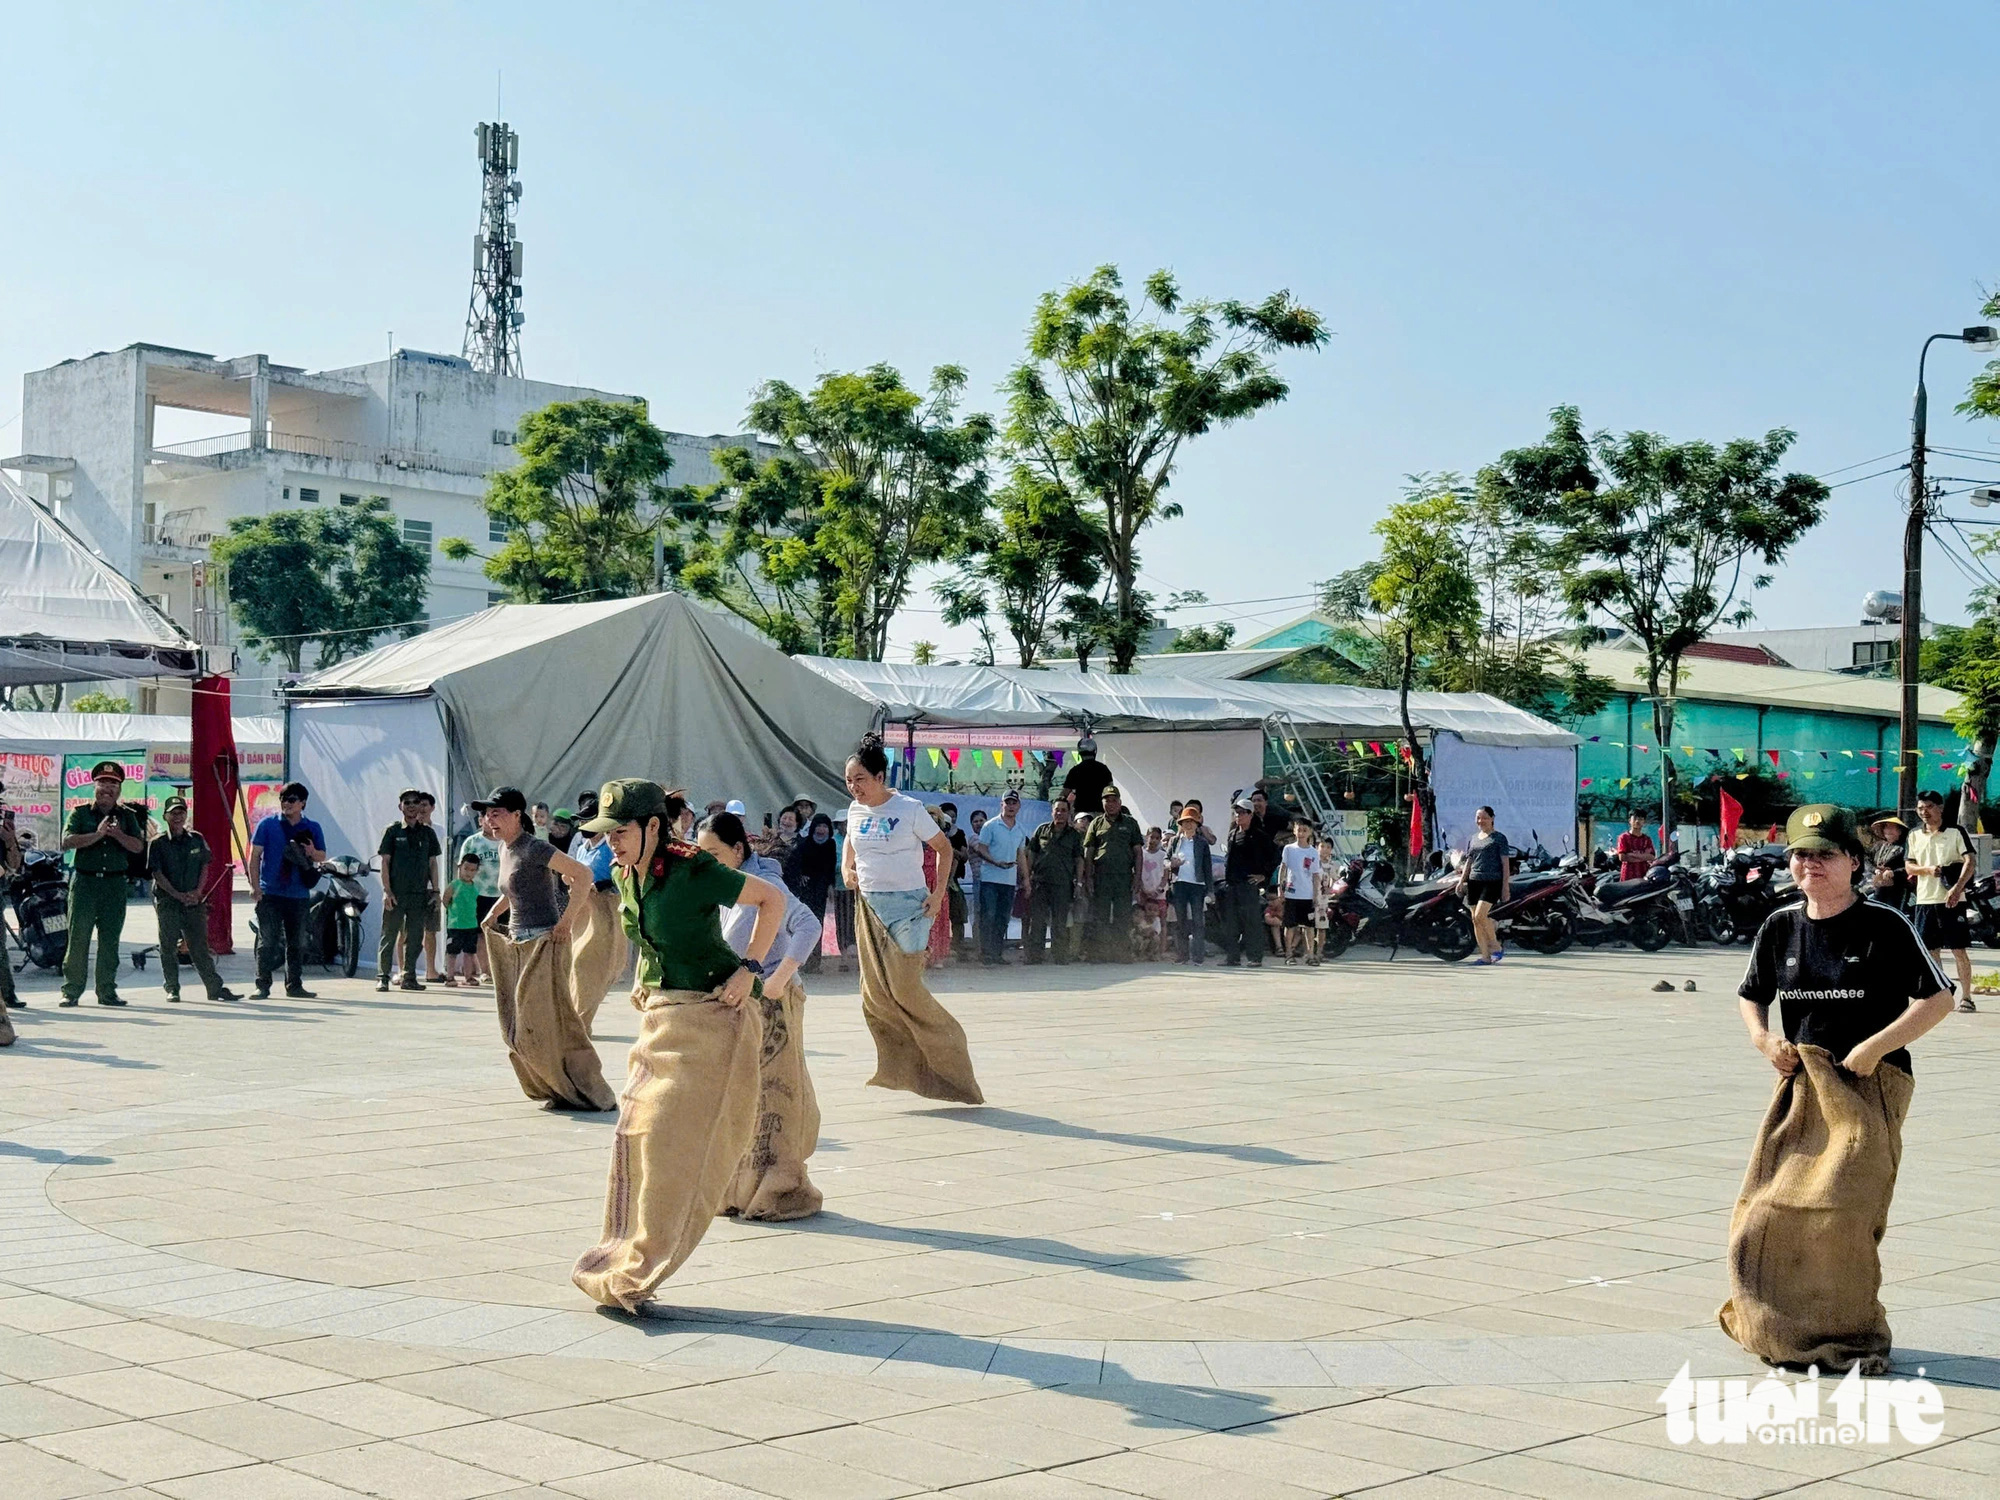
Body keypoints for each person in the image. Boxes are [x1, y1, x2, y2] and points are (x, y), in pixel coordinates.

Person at [1721, 804, 1955, 1374]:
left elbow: (1939, 997)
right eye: (1802, 854)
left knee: (1844, 1215)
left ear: (1854, 861)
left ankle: (1852, 1336)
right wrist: (1762, 1040)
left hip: (1869, 1088)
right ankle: (1780, 1329)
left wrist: (1874, 1047)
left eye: (1825, 854)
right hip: (1801, 1086)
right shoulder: (1780, 926)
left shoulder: (1886, 925)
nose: (1811, 864)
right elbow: (1751, 994)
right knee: (1765, 1212)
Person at [571, 779, 789, 1312]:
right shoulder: (626, 874)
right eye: (604, 835)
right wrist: (643, 980)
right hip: (663, 1021)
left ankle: (644, 1268)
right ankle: (620, 1253)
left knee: (672, 1145)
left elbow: (772, 900)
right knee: (634, 1133)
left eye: (619, 832)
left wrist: (749, 970)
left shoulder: (693, 869)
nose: (610, 844)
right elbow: (647, 939)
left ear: (651, 827)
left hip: (715, 1017)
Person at [842, 734, 984, 1103]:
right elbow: (851, 841)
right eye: (849, 780)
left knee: (905, 989)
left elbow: (944, 848)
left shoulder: (908, 809)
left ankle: (951, 1056)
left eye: (861, 779)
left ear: (879, 777)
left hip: (910, 906)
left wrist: (937, 895)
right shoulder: (856, 811)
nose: (854, 787)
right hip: (870, 906)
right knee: (874, 994)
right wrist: (847, 867)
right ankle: (904, 1069)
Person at [699, 810, 825, 1221]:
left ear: (738, 849)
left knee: (776, 1097)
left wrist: (778, 978)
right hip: (742, 1004)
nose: (708, 861)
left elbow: (808, 926)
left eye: (714, 852)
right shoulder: (724, 885)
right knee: (743, 1098)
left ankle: (780, 1188)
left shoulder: (765, 884)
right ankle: (738, 1188)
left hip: (775, 1004)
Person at [472, 785, 616, 1112]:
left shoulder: (535, 847)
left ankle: (586, 1089)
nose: (489, 820)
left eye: (496, 813)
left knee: (543, 1023)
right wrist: (494, 914)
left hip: (544, 942)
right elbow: (514, 889)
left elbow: (582, 874)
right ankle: (557, 1087)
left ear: (517, 815)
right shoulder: (506, 849)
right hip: (518, 941)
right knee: (522, 1026)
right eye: (487, 814)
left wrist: (566, 922)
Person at [57, 761, 145, 1007]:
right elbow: (66, 841)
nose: (108, 788)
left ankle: (107, 991)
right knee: (78, 939)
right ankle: (71, 991)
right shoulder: (80, 813)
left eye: (113, 784)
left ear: (119, 789)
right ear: (94, 786)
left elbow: (138, 847)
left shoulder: (127, 816)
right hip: (85, 883)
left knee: (110, 941)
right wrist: (97, 835)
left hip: (114, 885)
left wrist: (117, 835)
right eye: (103, 783)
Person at [147, 795, 241, 1004]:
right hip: (168, 901)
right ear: (165, 816)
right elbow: (157, 874)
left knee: (199, 947)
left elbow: (205, 867)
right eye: (173, 813)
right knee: (168, 947)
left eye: (181, 812)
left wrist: (198, 891)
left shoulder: (196, 839)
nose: (177, 817)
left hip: (193, 901)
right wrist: (176, 894)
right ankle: (172, 988)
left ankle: (214, 988)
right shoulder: (158, 843)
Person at [245, 782, 325, 1000]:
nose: (286, 803)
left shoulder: (312, 827)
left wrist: (312, 851)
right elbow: (254, 857)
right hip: (270, 893)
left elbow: (322, 856)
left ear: (302, 803)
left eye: (291, 799)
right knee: (268, 940)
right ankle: (262, 985)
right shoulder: (267, 825)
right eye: (283, 799)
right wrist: (254, 887)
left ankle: (294, 985)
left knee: (297, 942)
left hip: (298, 894)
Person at [1906, 788, 1976, 1014]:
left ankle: (1967, 997)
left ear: (1940, 807)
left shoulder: (1956, 832)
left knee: (1958, 949)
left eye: (1929, 807)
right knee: (1930, 950)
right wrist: (1926, 869)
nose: (1924, 812)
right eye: (1920, 808)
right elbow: (1909, 866)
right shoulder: (1914, 835)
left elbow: (1970, 861)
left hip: (1952, 899)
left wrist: (1957, 888)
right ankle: (1941, 996)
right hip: (1925, 900)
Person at [568, 790, 629, 1030]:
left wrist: (602, 884)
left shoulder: (610, 847)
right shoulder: (582, 847)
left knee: (590, 966)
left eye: (588, 820)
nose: (584, 824)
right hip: (583, 912)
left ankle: (582, 1021)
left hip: (606, 913)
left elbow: (623, 876)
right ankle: (580, 1021)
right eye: (582, 820)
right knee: (577, 965)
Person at [376, 788, 442, 992]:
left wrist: (436, 891)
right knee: (389, 935)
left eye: (415, 802)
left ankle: (409, 977)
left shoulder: (428, 833)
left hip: (419, 894)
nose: (412, 805)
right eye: (407, 802)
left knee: (414, 938)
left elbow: (433, 864)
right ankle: (383, 977)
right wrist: (387, 891)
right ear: (400, 806)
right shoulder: (393, 831)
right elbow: (385, 863)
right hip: (396, 893)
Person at [1080, 786, 1145, 961]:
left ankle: (1121, 952)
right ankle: (1100, 953)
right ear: (1102, 803)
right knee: (1100, 915)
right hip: (1101, 877)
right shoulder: (1096, 823)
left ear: (1120, 802)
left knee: (1122, 915)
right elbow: (1089, 853)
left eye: (1114, 800)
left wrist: (1137, 878)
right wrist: (1088, 879)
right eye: (1107, 800)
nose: (1110, 804)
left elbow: (1138, 852)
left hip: (1123, 877)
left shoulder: (1131, 823)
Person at [1217, 797, 1277, 966]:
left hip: (1248, 885)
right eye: (1236, 812)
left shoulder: (1259, 835)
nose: (1238, 815)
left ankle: (1254, 957)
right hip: (1231, 885)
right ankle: (1232, 957)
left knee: (1251, 922)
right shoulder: (1233, 834)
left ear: (1250, 814)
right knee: (1231, 923)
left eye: (1242, 812)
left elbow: (1275, 856)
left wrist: (1263, 875)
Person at [1022, 799, 1082, 964]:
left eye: (1063, 810)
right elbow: (1032, 853)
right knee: (1038, 920)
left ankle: (1060, 955)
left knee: (1060, 921)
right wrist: (1027, 877)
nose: (1060, 813)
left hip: (1063, 884)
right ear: (1052, 812)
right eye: (1057, 810)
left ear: (1069, 813)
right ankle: (1035, 956)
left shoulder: (1074, 835)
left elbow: (1079, 859)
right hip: (1040, 882)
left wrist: (1079, 883)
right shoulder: (1042, 830)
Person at [973, 790, 1028, 965]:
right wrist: (995, 862)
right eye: (1008, 802)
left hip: (1009, 881)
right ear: (1001, 804)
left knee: (1003, 918)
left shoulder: (1020, 829)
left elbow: (1021, 856)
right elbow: (981, 849)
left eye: (1014, 803)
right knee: (988, 915)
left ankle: (996, 954)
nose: (1011, 806)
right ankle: (985, 954)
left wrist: (1025, 879)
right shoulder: (990, 825)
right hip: (990, 879)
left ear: (1018, 806)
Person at [1461, 806, 1511, 966]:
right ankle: (1485, 956)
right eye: (1478, 818)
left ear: (1492, 818)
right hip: (1474, 881)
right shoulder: (1474, 838)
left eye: (1484, 818)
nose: (1480, 821)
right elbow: (1469, 861)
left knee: (1480, 916)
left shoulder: (1499, 838)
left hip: (1492, 881)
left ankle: (1496, 946)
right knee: (1475, 920)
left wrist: (1505, 886)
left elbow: (1505, 864)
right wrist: (1462, 880)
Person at [1165, 807, 1213, 964]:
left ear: (1196, 823)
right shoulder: (1175, 841)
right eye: (1185, 822)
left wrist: (1210, 890)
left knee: (1198, 922)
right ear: (1181, 824)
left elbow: (1207, 868)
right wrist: (1171, 864)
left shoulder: (1202, 843)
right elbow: (1165, 860)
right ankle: (1182, 955)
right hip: (1179, 884)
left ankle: (1198, 956)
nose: (1188, 825)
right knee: (1180, 922)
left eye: (1191, 821)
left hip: (1197, 885)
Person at [459, 820, 502, 983]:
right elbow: (461, 867)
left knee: (500, 933)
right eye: (487, 817)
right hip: (478, 893)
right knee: (480, 933)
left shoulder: (505, 840)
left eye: (494, 817)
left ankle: (501, 970)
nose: (491, 821)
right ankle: (485, 970)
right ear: (480, 820)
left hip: (502, 894)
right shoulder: (472, 841)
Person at [1279, 815, 1322, 966]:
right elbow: (1283, 868)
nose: (1302, 833)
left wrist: (1316, 894)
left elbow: (1316, 875)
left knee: (1309, 927)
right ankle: (1289, 954)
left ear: (1309, 832)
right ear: (1294, 831)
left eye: (1305, 830)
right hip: (1292, 893)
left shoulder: (1313, 852)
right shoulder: (1289, 849)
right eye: (1299, 830)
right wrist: (1281, 888)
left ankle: (1310, 954)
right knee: (1290, 926)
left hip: (1307, 894)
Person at [443, 854, 483, 987]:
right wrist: (453, 912)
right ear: (460, 867)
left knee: (470, 952)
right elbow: (445, 900)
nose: (469, 873)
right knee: (452, 951)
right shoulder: (454, 884)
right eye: (466, 869)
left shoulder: (476, 887)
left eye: (473, 870)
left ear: (477, 871)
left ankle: (469, 976)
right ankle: (450, 976)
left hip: (471, 924)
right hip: (455, 925)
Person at [934, 802, 969, 955]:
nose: (949, 823)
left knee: (958, 913)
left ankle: (957, 946)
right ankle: (936, 947)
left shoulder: (958, 835)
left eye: (953, 817)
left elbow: (961, 857)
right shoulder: (929, 837)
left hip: (952, 880)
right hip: (932, 881)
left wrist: (949, 850)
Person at [1061, 736, 1114, 817]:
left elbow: (1064, 794)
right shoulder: (1103, 769)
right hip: (1100, 813)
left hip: (1081, 814)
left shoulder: (1075, 770)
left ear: (1080, 753)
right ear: (1094, 751)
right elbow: (1111, 790)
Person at [1867, 814, 1910, 913]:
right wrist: (1875, 870)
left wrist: (1894, 872)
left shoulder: (1905, 847)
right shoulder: (1879, 846)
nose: (1888, 830)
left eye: (1892, 828)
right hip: (1878, 886)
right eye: (1886, 827)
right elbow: (1866, 859)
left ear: (1900, 831)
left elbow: (1910, 866)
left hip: (1897, 889)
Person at [1138, 827, 1169, 960]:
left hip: (1159, 894)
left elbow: (1166, 876)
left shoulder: (1163, 855)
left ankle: (1161, 951)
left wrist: (1159, 890)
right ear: (1147, 837)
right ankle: (1143, 951)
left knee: (1161, 921)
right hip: (1144, 893)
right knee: (1142, 920)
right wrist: (1142, 889)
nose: (1154, 840)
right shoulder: (1141, 854)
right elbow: (1137, 872)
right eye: (1152, 837)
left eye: (1157, 838)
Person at [1615, 812, 1657, 882]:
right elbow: (1622, 857)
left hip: (1643, 875)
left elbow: (1651, 857)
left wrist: (1632, 855)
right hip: (1627, 875)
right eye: (1635, 819)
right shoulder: (1623, 837)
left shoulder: (1647, 839)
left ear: (1644, 822)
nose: (1637, 821)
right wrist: (1643, 856)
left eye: (1640, 819)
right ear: (1630, 821)